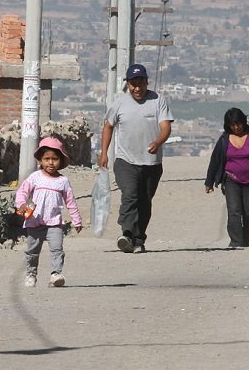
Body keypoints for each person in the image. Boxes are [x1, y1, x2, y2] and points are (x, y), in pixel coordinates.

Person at [98, 64, 174, 253]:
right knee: (130, 195)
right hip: (126, 161)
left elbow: (166, 127)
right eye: (133, 84)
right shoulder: (119, 103)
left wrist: (157, 142)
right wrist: (104, 152)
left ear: (147, 82)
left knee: (144, 201)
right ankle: (127, 234)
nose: (137, 88)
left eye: (140, 83)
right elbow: (108, 126)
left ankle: (139, 239)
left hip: (151, 163)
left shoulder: (158, 101)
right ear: (128, 84)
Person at [16, 136, 83, 287]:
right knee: (32, 251)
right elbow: (22, 192)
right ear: (40, 160)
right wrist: (21, 204)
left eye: (55, 159)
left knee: (57, 249)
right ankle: (31, 274)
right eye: (47, 159)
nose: (51, 162)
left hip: (55, 222)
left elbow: (70, 202)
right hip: (35, 221)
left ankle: (56, 274)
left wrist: (76, 220)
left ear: (61, 161)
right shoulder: (35, 177)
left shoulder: (63, 181)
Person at [203, 107, 249, 248]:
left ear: (244, 122)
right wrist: (209, 182)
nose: (236, 127)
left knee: (248, 212)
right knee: (234, 211)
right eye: (233, 125)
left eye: (239, 124)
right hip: (231, 180)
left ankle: (245, 239)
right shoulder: (224, 139)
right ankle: (236, 242)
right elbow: (215, 160)